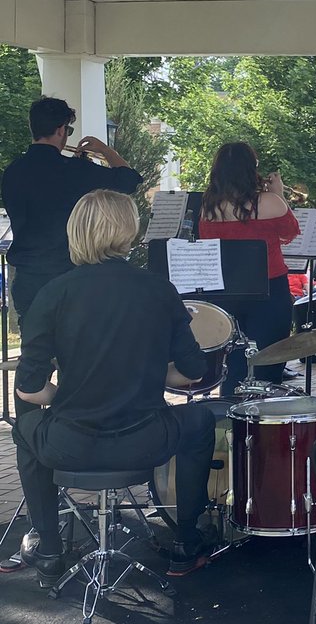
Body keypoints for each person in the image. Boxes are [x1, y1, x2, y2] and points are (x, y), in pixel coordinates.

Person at [13, 190, 218, 581]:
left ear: (77, 232)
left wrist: (68, 398)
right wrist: (141, 373)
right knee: (201, 421)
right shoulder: (159, 289)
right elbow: (191, 374)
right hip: (145, 442)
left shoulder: (52, 293)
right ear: (129, 231)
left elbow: (30, 391)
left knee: (25, 429)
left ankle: (50, 547)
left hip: (70, 445)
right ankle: (185, 542)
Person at [1, 97, 141, 328]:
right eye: (68, 129)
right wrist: (105, 149)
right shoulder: (75, 170)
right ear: (60, 130)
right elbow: (128, 181)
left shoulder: (12, 172)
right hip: (68, 276)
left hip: (27, 278)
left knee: (36, 354)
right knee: (74, 355)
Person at [198, 142, 300, 394]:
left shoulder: (207, 207)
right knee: (268, 362)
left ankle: (230, 419)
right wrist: (279, 193)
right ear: (250, 169)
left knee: (232, 364)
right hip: (269, 291)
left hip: (225, 292)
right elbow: (291, 233)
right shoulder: (269, 202)